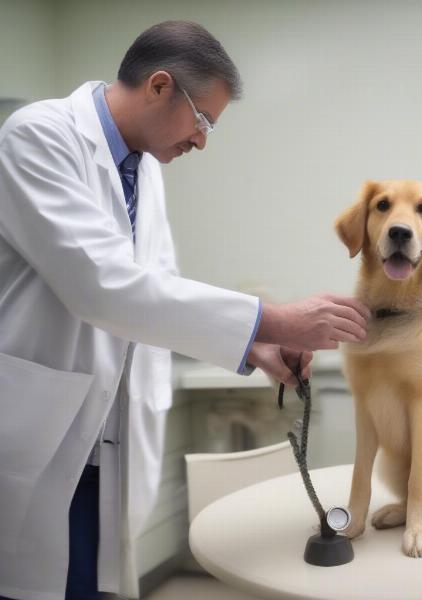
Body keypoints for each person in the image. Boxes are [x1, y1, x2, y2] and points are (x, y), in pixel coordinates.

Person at [0, 20, 369, 600]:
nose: (201, 141)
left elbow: (155, 292)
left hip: (106, 446)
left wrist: (255, 348)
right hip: (42, 435)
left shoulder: (144, 166)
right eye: (203, 121)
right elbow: (101, 286)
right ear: (159, 86)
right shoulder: (37, 136)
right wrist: (275, 318)